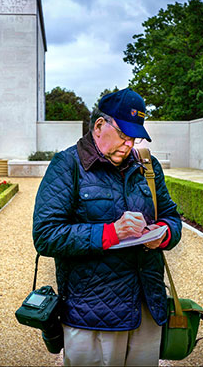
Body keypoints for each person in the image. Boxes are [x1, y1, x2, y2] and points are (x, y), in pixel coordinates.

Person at [32, 88, 182, 366]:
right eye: (123, 136)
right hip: (93, 313)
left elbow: (172, 216)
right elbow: (46, 235)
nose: (129, 144)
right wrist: (112, 232)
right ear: (100, 126)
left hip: (147, 308)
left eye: (134, 137)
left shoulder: (147, 165)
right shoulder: (67, 165)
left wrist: (160, 236)